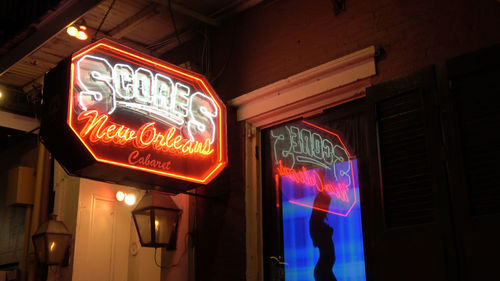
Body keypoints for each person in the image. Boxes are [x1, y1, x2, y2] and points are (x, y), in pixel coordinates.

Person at [310, 190, 337, 281]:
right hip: (324, 270)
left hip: (325, 269)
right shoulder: (316, 223)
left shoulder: (317, 223)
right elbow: (316, 242)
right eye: (326, 205)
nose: (327, 209)